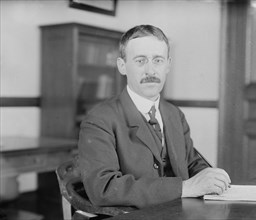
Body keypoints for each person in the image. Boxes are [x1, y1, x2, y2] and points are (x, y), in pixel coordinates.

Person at [78, 24, 231, 209]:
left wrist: (211, 178)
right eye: (140, 61)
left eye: (158, 60)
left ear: (168, 65)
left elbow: (192, 163)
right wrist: (184, 188)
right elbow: (104, 189)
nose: (151, 71)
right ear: (122, 66)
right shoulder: (100, 119)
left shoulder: (174, 114)